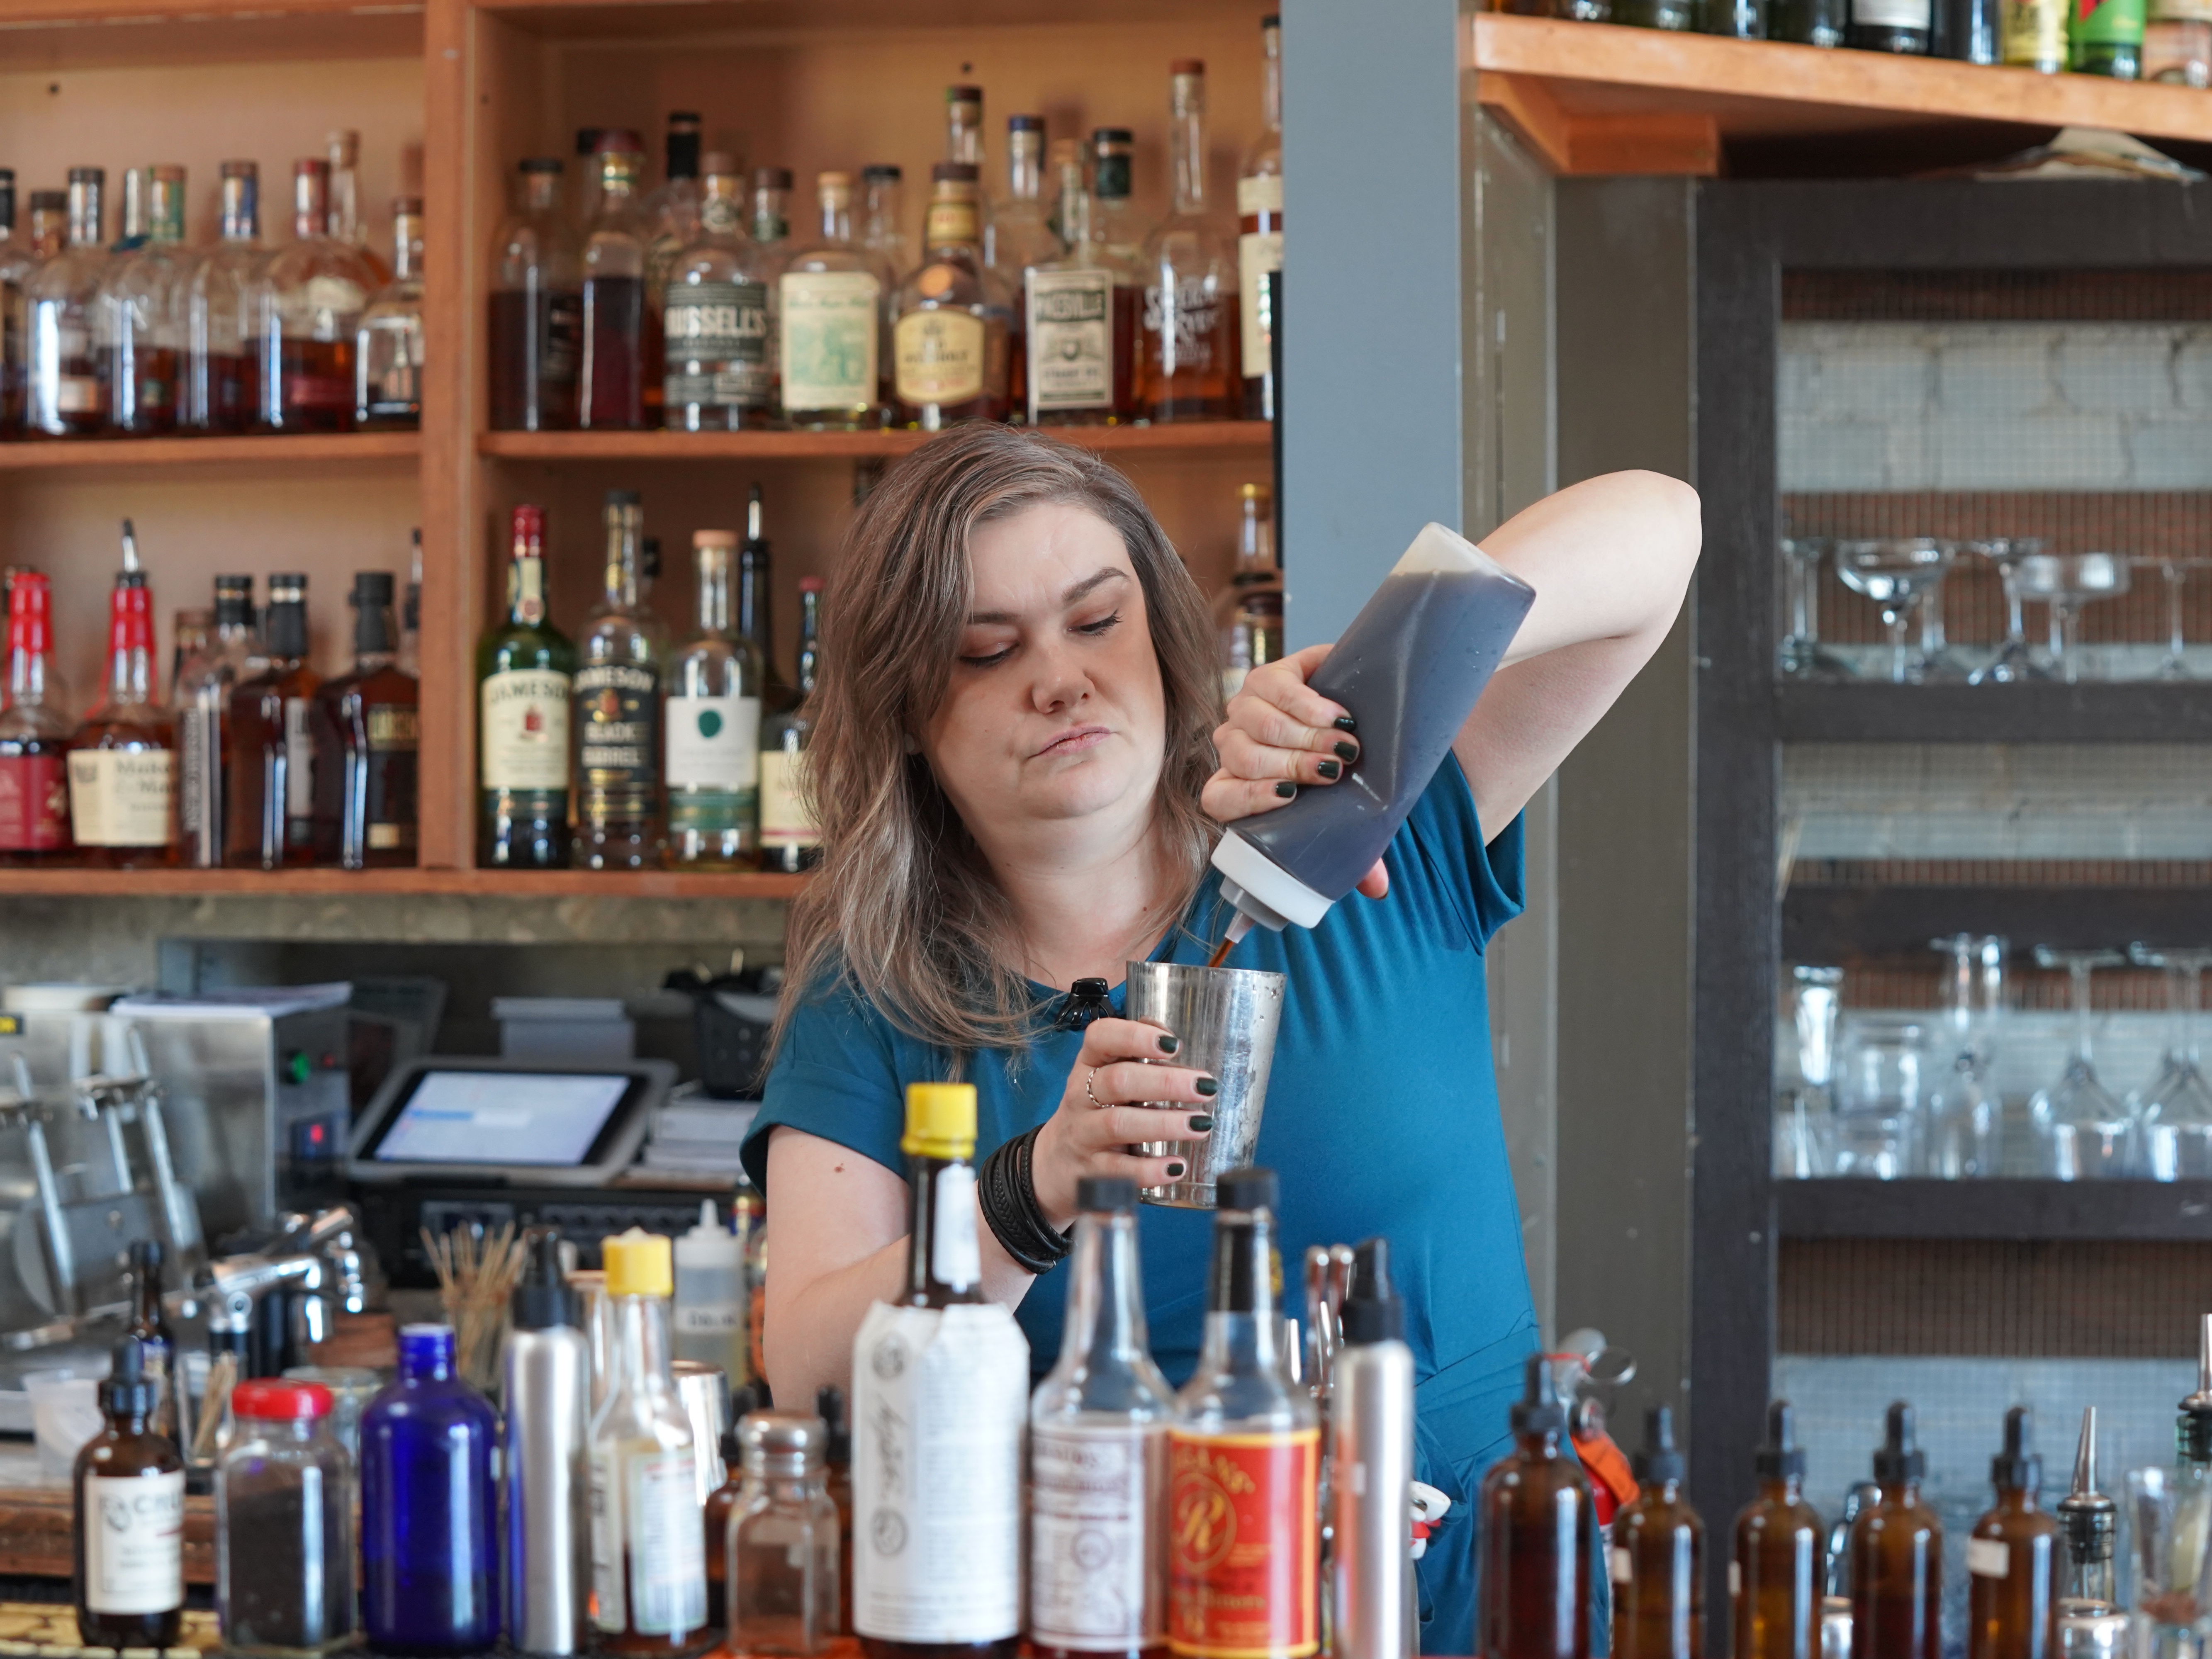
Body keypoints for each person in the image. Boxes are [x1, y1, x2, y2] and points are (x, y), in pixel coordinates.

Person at [739, 423, 1699, 1651]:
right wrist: (1028, 1195)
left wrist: (1375, 681)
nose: (1060, 680)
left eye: (1097, 622)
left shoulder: (1355, 828)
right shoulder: (876, 996)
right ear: (907, 715)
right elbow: (812, 1375)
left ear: (1161, 634)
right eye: (988, 651)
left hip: (1471, 1591)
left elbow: (1664, 529)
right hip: (1110, 1608)